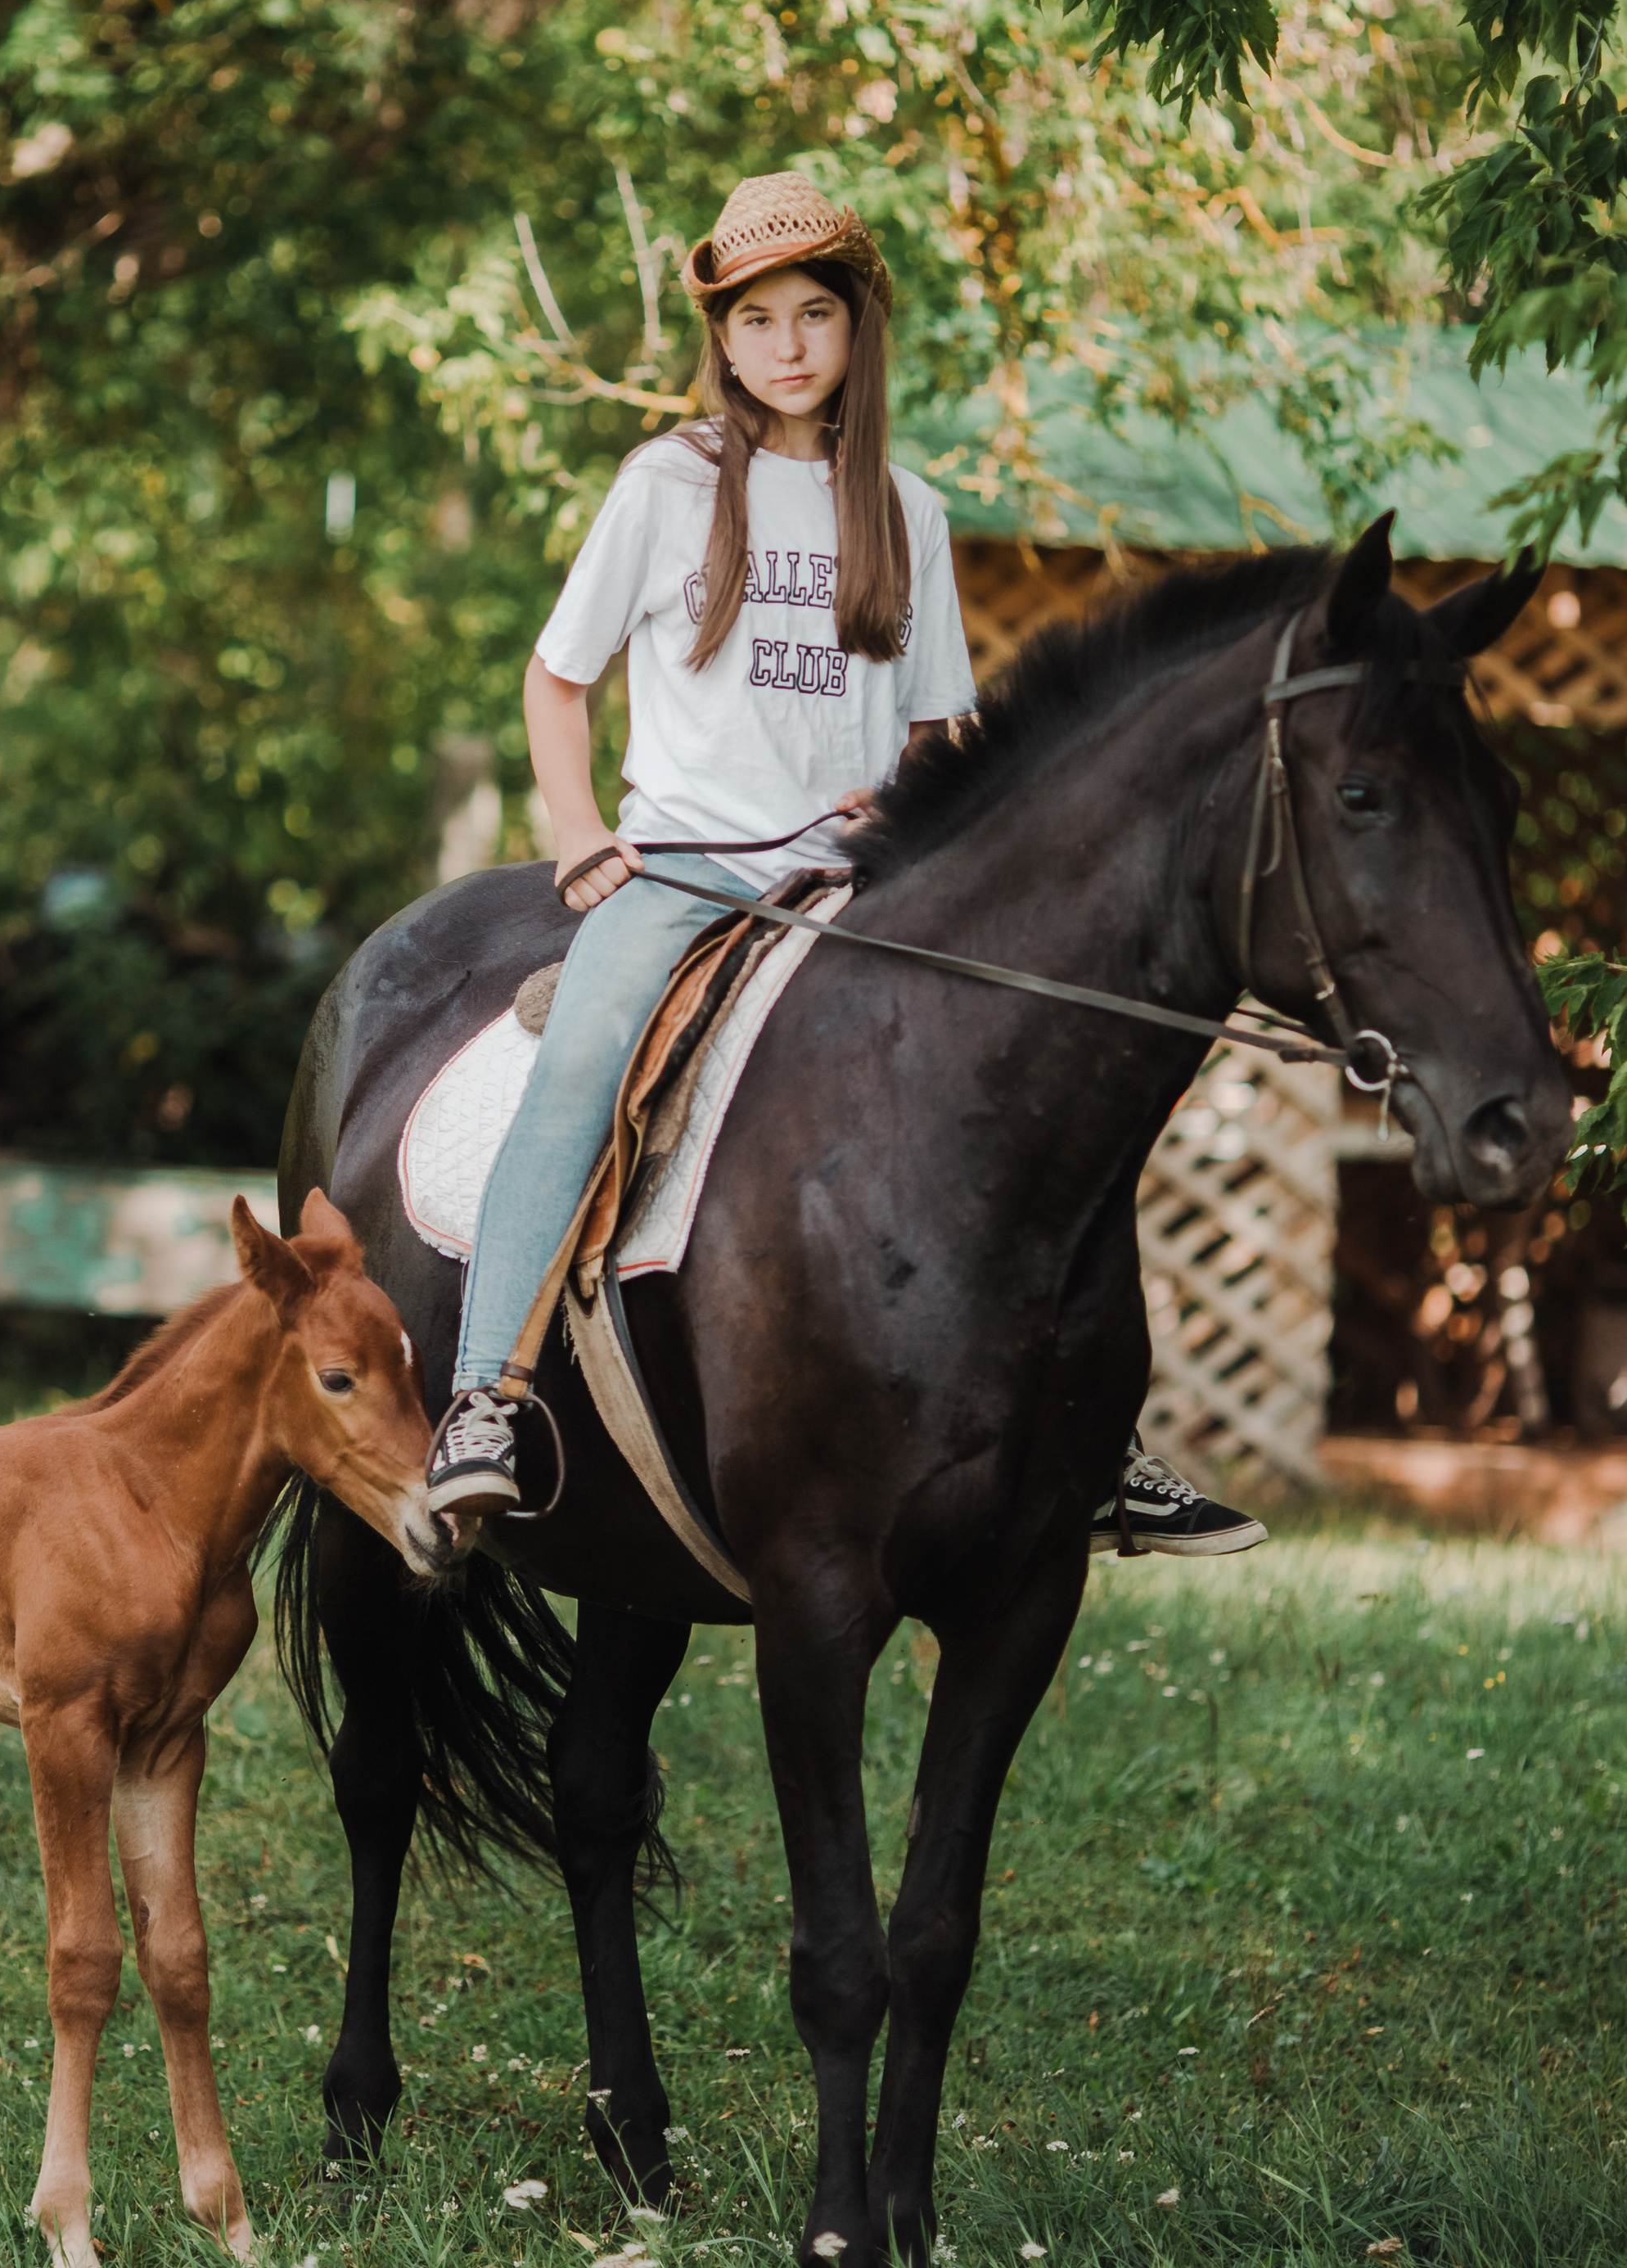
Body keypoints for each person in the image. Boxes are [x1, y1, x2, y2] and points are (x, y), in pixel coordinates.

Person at [425, 171, 1264, 1560]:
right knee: (579, 1066)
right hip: (690, 872)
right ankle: (485, 1400)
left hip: (862, 884)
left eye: (815, 314)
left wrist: (909, 790)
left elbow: (942, 729)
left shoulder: (905, 509)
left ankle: (1095, 1440)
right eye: (758, 320)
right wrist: (579, 833)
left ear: (857, 327)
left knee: (1037, 1080)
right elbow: (556, 679)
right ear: (724, 339)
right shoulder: (669, 485)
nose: (789, 345)